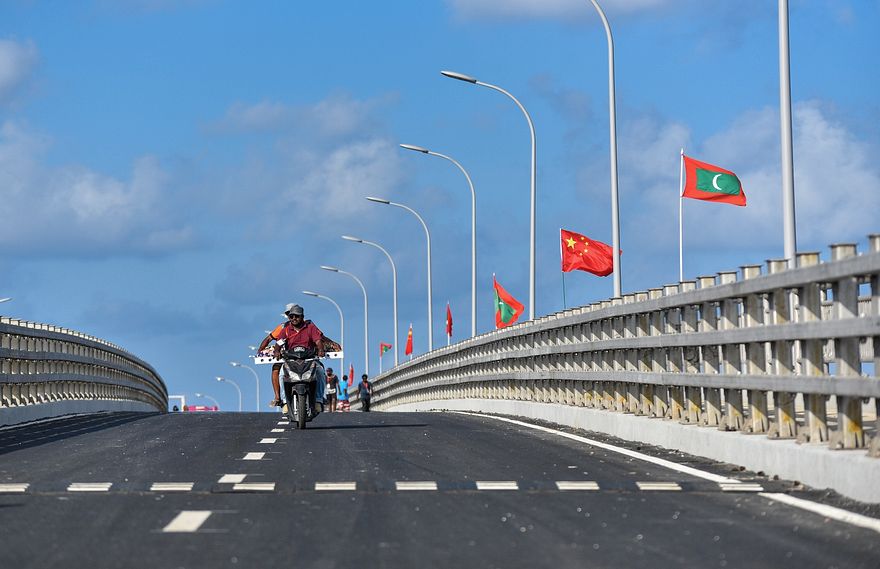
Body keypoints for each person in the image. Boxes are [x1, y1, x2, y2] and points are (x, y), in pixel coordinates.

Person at [274, 304, 326, 416]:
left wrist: (321, 349)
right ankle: (285, 402)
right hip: (291, 360)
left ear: (302, 317)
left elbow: (318, 341)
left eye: (297, 316)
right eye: (291, 316)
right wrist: (277, 351)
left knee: (320, 371)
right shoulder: (286, 330)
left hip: (309, 359)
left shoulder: (310, 328)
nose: (294, 318)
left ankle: (318, 400)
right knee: (281, 373)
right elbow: (278, 343)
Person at [257, 303, 297, 409]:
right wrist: (261, 351)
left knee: (318, 368)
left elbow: (319, 337)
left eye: (296, 314)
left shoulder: (308, 325)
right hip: (287, 356)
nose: (293, 317)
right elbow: (271, 340)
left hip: (304, 356)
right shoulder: (283, 328)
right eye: (290, 314)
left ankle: (318, 399)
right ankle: (278, 397)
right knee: (276, 370)